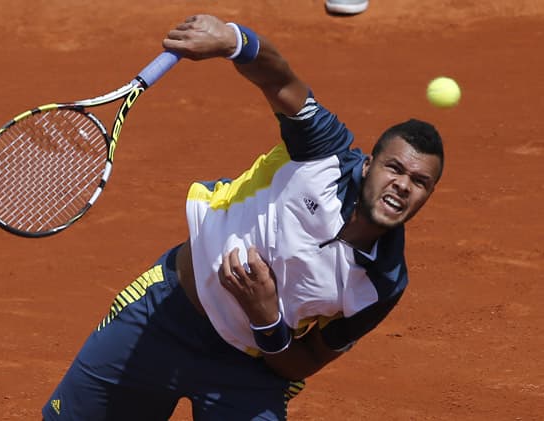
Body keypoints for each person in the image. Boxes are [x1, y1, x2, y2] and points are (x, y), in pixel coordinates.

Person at [42, 13, 444, 421]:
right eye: (394, 169)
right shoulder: (323, 155)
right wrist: (233, 40)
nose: (403, 185)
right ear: (368, 165)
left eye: (419, 182)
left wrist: (267, 319)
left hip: (247, 371)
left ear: (427, 195)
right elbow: (280, 81)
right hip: (165, 316)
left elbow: (306, 362)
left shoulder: (383, 282)